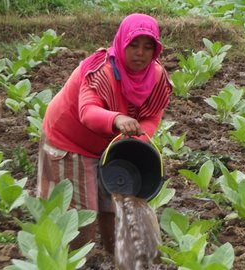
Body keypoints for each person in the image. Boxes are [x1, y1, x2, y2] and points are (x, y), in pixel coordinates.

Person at [36, 13, 172, 253]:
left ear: (156, 50)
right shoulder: (101, 71)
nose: (140, 53)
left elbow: (153, 114)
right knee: (80, 220)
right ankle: (72, 262)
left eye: (148, 47)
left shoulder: (156, 76)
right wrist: (117, 118)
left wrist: (138, 138)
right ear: (121, 43)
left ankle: (115, 256)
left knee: (116, 207)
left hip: (111, 144)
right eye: (134, 45)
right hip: (69, 142)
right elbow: (87, 112)